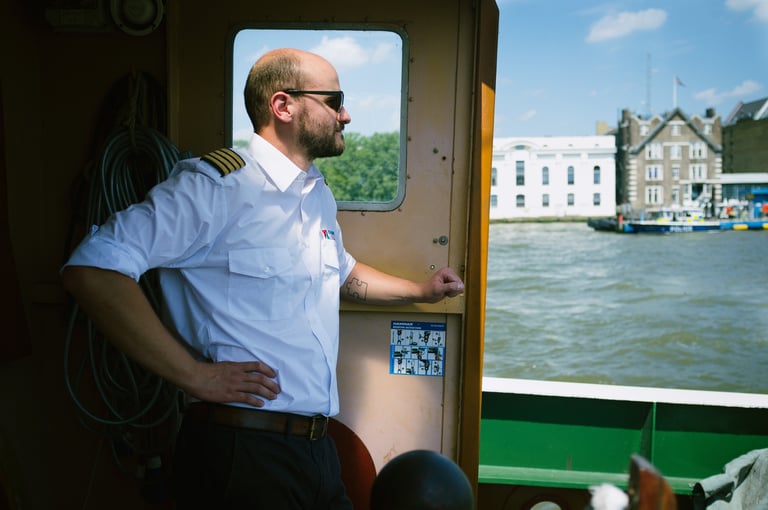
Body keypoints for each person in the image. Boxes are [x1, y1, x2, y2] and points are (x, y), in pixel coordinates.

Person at [61, 48, 464, 509]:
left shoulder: (316, 194)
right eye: (334, 101)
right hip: (241, 453)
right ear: (283, 105)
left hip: (315, 450)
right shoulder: (214, 187)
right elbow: (93, 269)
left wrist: (420, 291)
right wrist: (195, 376)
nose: (346, 115)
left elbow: (344, 273)